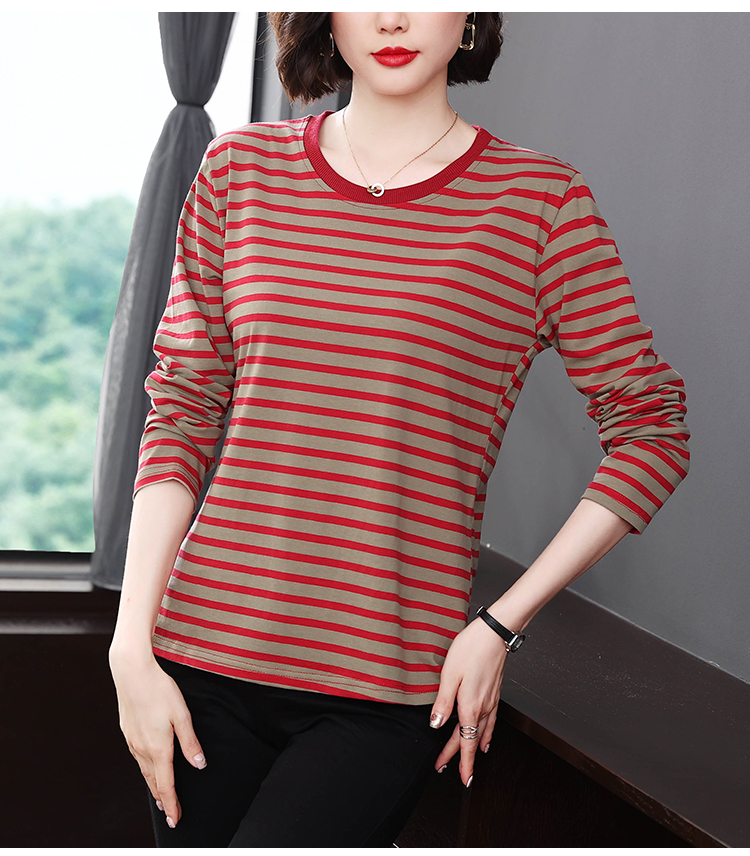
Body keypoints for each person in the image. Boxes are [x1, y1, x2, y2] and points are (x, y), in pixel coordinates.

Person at [108, 11, 690, 848]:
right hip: (198, 661)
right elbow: (184, 405)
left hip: (383, 687)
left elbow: (651, 428)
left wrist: (501, 624)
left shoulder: (540, 203)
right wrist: (132, 648)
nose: (391, 16)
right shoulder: (239, 170)